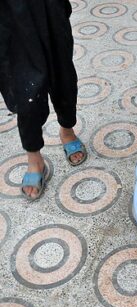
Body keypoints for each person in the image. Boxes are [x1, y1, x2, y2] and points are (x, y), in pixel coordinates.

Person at [0, 0, 87, 201]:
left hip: (49, 8)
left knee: (63, 76)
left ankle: (67, 131)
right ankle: (34, 158)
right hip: (8, 15)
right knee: (25, 90)